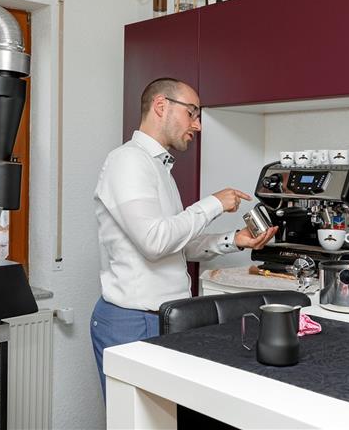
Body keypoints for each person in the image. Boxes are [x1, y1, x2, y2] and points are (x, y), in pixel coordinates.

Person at [90, 77, 277, 397]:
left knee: (166, 418)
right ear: (161, 106)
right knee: (137, 419)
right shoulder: (128, 161)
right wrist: (213, 204)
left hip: (165, 318)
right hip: (133, 321)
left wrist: (235, 239)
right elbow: (154, 242)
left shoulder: (158, 167)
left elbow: (175, 245)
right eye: (192, 112)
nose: (198, 124)